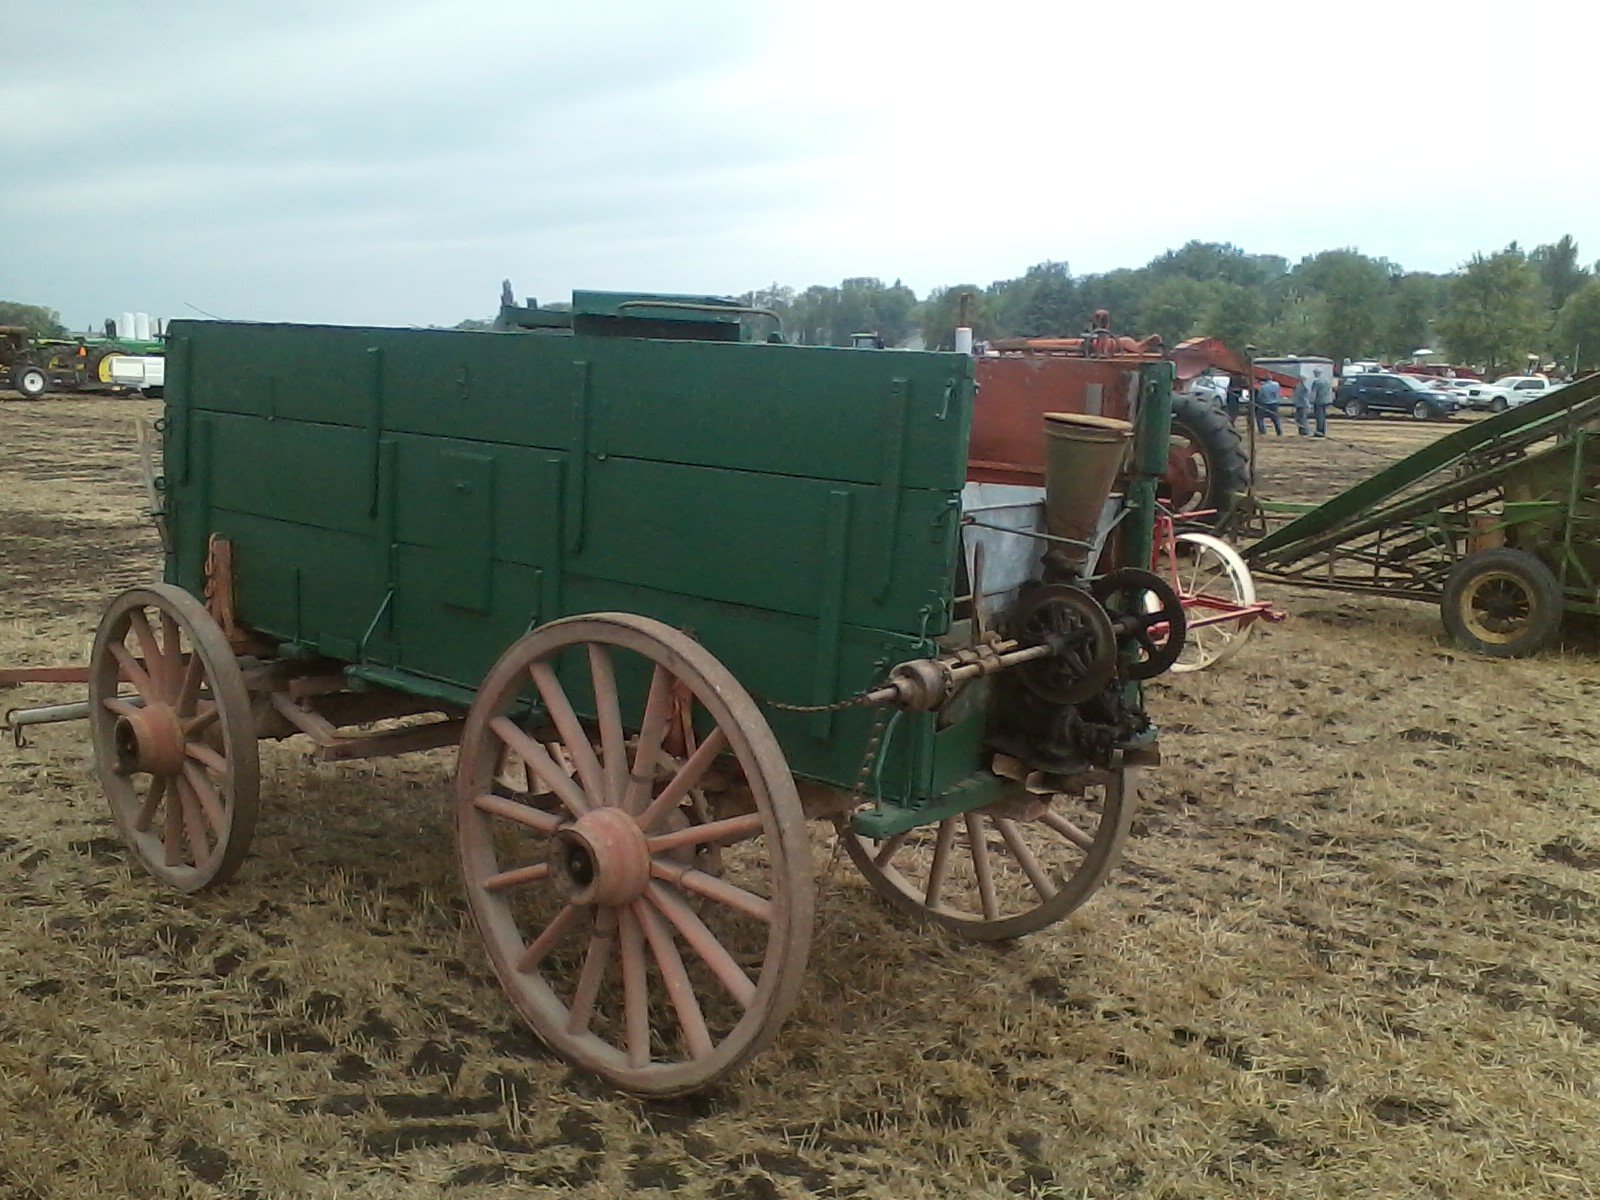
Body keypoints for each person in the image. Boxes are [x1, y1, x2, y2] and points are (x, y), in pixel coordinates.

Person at [1309, 369, 1332, 438]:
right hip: (1326, 401)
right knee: (1323, 417)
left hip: (1318, 401)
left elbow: (1314, 393)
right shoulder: (1327, 381)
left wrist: (1311, 402)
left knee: (1319, 417)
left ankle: (1319, 432)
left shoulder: (1316, 382)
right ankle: (1323, 431)